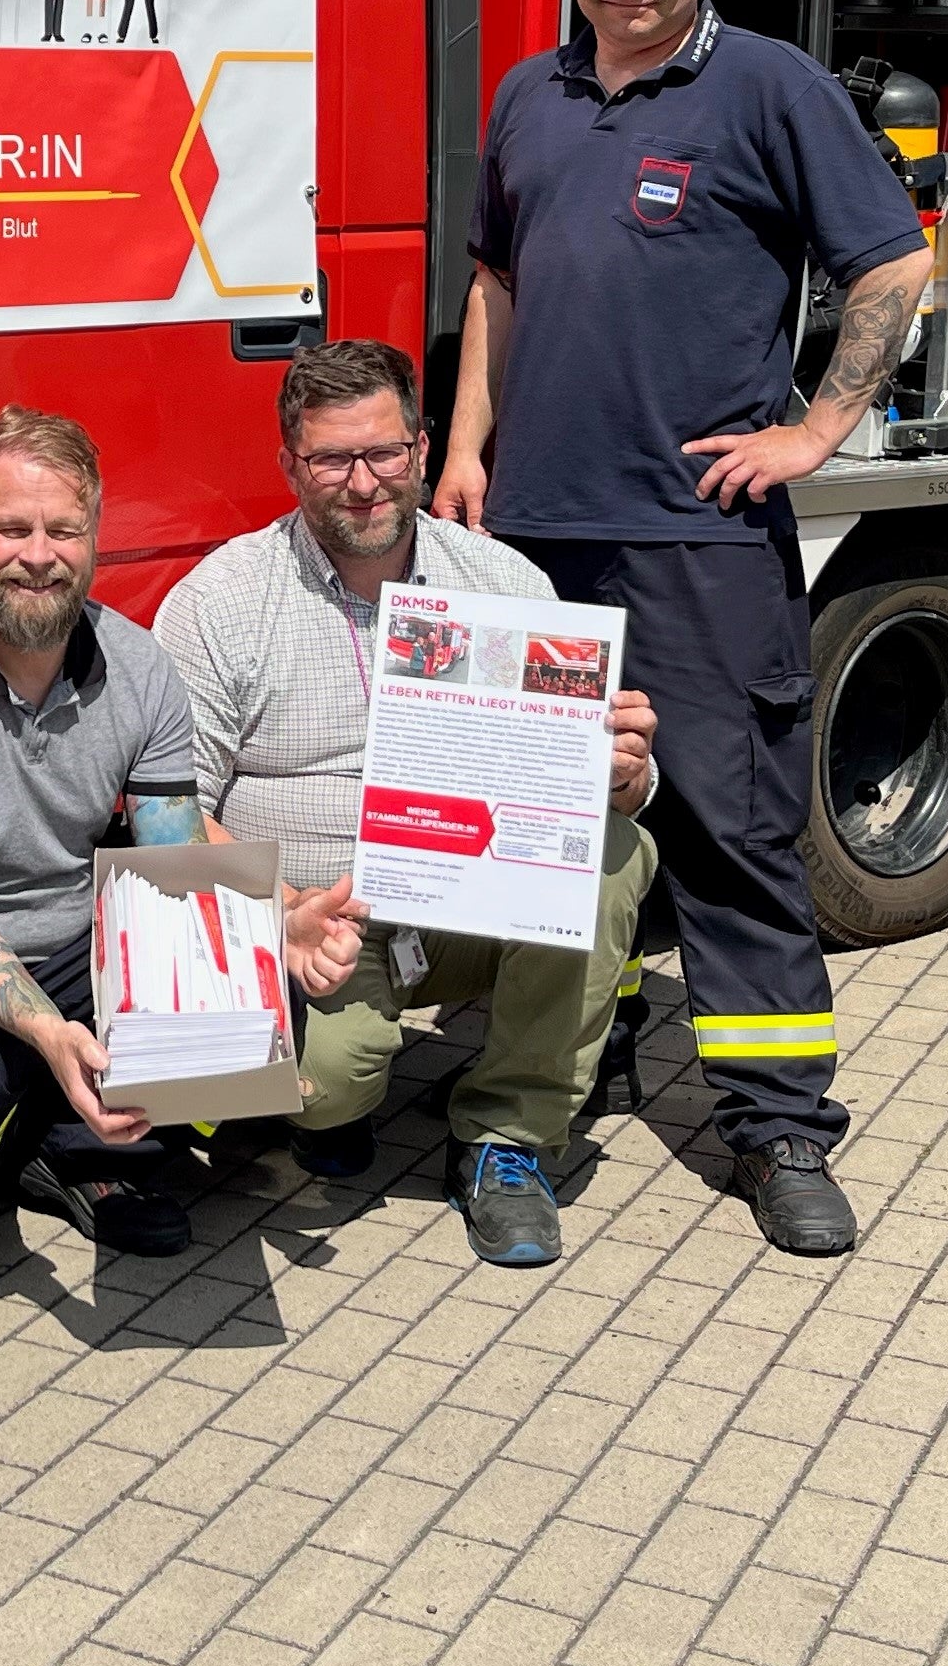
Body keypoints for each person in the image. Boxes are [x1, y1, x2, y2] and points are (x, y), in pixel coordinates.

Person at [429, 0, 934, 1257]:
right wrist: (467, 449)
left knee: (732, 833)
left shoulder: (769, 88)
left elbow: (892, 268)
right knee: (530, 831)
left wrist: (816, 433)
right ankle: (526, 1106)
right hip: (533, 538)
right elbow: (498, 286)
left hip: (697, 542)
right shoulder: (533, 97)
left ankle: (777, 1132)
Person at [0, 406, 363, 1297]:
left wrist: (272, 924)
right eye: (11, 528)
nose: (39, 554)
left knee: (245, 1009)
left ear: (94, 534)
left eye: (63, 529)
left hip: (67, 936)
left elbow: (174, 864)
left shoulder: (140, 669)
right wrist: (47, 1032)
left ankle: (77, 1154)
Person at [157, 340, 658, 1268]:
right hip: (321, 920)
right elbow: (171, 811)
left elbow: (583, 776)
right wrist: (283, 915)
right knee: (327, 1093)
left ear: (423, 449)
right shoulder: (221, 602)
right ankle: (332, 1095)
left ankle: (508, 1138)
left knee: (617, 849)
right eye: (331, 459)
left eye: (384, 453)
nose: (362, 483)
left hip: (470, 901)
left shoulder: (504, 586)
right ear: (288, 466)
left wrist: (621, 774)